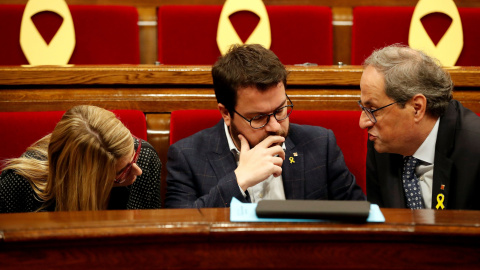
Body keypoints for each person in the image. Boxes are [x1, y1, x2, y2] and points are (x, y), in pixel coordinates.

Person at [165, 44, 365, 208]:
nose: (274, 126)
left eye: (280, 110)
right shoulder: (187, 157)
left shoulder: (321, 146)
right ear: (226, 113)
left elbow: (360, 217)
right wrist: (238, 180)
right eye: (258, 117)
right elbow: (180, 233)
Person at [358, 44, 480, 210]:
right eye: (363, 108)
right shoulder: (381, 144)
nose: (363, 122)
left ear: (417, 108)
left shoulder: (474, 148)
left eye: (372, 109)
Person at [0, 105, 162, 212]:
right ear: (86, 180)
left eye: (134, 154)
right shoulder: (17, 185)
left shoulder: (146, 158)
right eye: (122, 172)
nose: (138, 171)